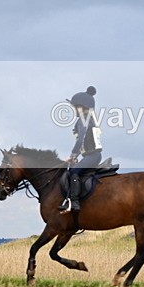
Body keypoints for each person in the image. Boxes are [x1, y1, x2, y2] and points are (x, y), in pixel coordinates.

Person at [59, 86, 102, 214]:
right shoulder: (90, 119)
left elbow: (80, 140)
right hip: (91, 155)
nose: (73, 110)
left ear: (81, 106)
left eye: (74, 107)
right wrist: (75, 157)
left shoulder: (83, 120)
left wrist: (73, 155)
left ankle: (74, 202)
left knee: (73, 172)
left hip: (92, 156)